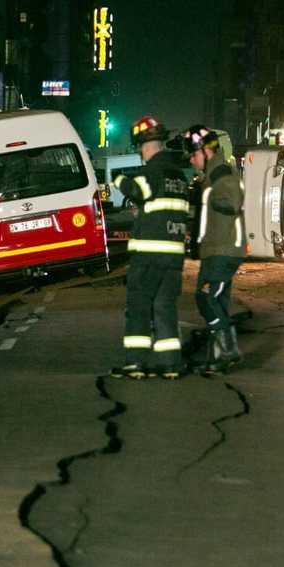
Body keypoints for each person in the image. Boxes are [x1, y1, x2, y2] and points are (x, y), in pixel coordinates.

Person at [110, 116, 190, 380]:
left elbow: (136, 190)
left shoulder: (151, 171)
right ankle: (171, 364)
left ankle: (135, 364)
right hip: (173, 256)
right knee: (165, 308)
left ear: (144, 147)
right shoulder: (178, 176)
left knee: (139, 308)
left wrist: (118, 179)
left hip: (148, 256)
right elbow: (164, 208)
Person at [181, 126, 247, 374]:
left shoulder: (221, 173)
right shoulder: (210, 175)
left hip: (224, 250)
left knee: (207, 298)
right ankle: (218, 356)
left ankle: (228, 351)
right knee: (216, 300)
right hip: (216, 249)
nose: (190, 159)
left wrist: (222, 203)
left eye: (192, 154)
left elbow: (232, 200)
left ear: (205, 151)